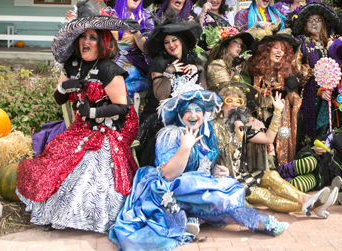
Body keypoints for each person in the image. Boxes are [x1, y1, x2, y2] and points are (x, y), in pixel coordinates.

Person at [109, 78, 289, 251]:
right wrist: (185, 147)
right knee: (216, 196)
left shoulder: (205, 134)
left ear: (204, 113)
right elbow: (169, 174)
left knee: (231, 186)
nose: (194, 115)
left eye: (198, 110)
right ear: (180, 114)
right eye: (188, 111)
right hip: (171, 186)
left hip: (194, 186)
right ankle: (260, 222)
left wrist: (217, 170)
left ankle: (193, 217)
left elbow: (205, 166)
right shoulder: (171, 133)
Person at [16, 0, 140, 233]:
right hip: (83, 126)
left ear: (102, 41)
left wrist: (93, 112)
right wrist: (64, 87)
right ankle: (53, 211)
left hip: (114, 126)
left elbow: (122, 108)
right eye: (82, 36)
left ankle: (83, 214)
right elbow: (59, 99)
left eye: (92, 37)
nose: (86, 41)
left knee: (92, 161)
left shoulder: (108, 69)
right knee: (58, 155)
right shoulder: (72, 64)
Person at [210, 78, 338, 217]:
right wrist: (237, 138)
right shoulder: (214, 126)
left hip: (242, 175)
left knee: (272, 175)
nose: (234, 104)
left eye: (238, 101)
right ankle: (313, 206)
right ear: (221, 105)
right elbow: (220, 158)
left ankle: (307, 199)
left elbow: (268, 138)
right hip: (227, 180)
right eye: (229, 101)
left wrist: (277, 111)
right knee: (266, 195)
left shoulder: (241, 125)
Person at [66, 0, 158, 98]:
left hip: (134, 67)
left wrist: (135, 31)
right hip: (108, 64)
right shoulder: (107, 15)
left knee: (120, 86)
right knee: (93, 87)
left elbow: (149, 50)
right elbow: (92, 37)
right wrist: (76, 23)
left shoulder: (146, 18)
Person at [135, 18, 204, 167]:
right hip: (161, 117)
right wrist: (168, 72)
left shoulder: (193, 60)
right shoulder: (160, 62)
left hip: (188, 116)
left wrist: (199, 70)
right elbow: (161, 97)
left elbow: (203, 94)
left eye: (174, 40)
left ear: (182, 41)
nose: (171, 45)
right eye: (166, 42)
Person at [277, 104, 342, 193]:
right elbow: (321, 138)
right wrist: (318, 145)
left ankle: (274, 183)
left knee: (298, 185)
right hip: (318, 158)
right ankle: (273, 173)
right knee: (309, 164)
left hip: (327, 174)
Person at [287, 1, 340, 141]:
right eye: (310, 20)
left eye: (318, 20)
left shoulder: (326, 43)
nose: (314, 23)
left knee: (325, 128)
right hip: (308, 93)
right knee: (309, 130)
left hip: (326, 93)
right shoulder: (301, 41)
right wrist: (313, 71)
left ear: (323, 23)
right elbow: (294, 68)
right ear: (305, 24)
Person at [248, 33, 302, 166]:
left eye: (283, 49)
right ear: (267, 50)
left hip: (279, 123)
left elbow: (294, 105)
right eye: (276, 47)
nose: (279, 51)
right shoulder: (254, 72)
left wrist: (291, 90)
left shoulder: (288, 74)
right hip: (258, 121)